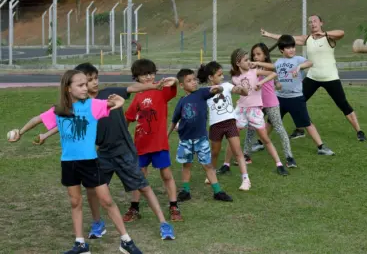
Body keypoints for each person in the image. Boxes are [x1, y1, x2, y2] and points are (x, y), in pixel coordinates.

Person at [36, 63, 176, 240]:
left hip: (124, 150)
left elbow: (133, 87)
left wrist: (156, 85)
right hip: (102, 153)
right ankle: (97, 223)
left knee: (143, 186)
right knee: (92, 189)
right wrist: (45, 135)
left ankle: (164, 224)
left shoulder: (108, 93)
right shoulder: (83, 105)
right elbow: (64, 121)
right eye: (88, 80)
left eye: (96, 78)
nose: (94, 83)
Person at [8, 70, 142, 254]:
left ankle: (126, 241)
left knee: (107, 200)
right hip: (69, 163)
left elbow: (116, 103)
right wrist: (20, 132)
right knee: (75, 202)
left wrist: (117, 101)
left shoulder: (93, 105)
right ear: (68, 88)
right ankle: (80, 244)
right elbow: (37, 119)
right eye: (80, 85)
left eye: (85, 84)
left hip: (90, 162)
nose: (85, 88)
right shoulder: (60, 111)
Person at [261, 15, 366, 141]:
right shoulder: (308, 39)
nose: (312, 23)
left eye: (315, 21)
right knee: (297, 102)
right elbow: (286, 39)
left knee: (343, 104)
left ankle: (359, 131)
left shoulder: (329, 38)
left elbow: (341, 33)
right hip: (312, 77)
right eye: (310, 22)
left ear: (321, 23)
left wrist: (324, 33)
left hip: (330, 77)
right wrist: (268, 34)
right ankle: (299, 129)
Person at [125, 59, 183, 222]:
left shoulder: (160, 90)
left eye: (151, 73)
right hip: (141, 145)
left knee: (166, 174)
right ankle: (134, 207)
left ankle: (173, 206)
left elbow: (172, 87)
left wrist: (175, 81)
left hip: (158, 143)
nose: (148, 77)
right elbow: (127, 119)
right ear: (137, 78)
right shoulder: (137, 97)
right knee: (139, 176)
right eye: (144, 75)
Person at [256, 35, 335, 155]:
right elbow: (272, 67)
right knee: (271, 121)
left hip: (295, 98)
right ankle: (260, 143)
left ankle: (321, 146)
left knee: (306, 122)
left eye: (293, 46)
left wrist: (299, 67)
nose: (292, 49)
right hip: (279, 98)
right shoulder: (279, 61)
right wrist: (254, 62)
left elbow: (310, 63)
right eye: (288, 48)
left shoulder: (298, 59)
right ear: (282, 50)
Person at [223, 43, 297, 170]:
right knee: (250, 130)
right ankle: (246, 155)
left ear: (265, 55)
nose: (255, 57)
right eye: (253, 55)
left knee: (279, 127)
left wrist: (260, 67)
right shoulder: (249, 70)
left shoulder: (261, 67)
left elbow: (274, 70)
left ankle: (289, 157)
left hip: (270, 102)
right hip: (254, 104)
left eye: (258, 54)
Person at [167, 69, 233, 202]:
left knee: (208, 165)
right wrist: (166, 135)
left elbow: (215, 90)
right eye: (189, 81)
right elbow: (174, 120)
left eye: (194, 79)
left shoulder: (202, 93)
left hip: (201, 139)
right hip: (185, 139)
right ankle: (185, 191)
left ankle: (218, 192)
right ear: (181, 85)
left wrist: (218, 88)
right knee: (186, 165)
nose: (193, 82)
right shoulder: (181, 102)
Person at [197, 61, 251, 190]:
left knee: (237, 151)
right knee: (214, 152)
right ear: (211, 77)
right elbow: (195, 106)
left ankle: (245, 179)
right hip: (215, 126)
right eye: (219, 75)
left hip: (230, 123)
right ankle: (211, 173)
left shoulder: (227, 85)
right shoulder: (205, 92)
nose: (222, 77)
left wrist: (242, 88)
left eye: (222, 74)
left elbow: (241, 92)